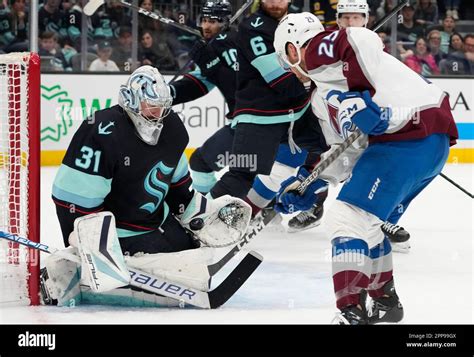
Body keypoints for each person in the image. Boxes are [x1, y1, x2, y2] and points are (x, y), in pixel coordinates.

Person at [273, 12, 458, 324]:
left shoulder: (318, 51)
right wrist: (310, 183)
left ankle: (350, 314)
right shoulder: (321, 99)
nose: (290, 69)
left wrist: (359, 95)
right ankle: (385, 302)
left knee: (347, 220)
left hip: (411, 136)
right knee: (367, 224)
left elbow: (359, 36)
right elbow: (348, 151)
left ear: (292, 49)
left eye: (284, 60)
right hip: (418, 146)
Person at [43, 66, 251, 307]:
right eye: (151, 105)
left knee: (193, 256)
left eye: (163, 105)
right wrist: (83, 244)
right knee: (180, 269)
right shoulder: (102, 131)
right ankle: (75, 274)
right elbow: (70, 200)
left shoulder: (172, 128)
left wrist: (200, 214)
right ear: (130, 100)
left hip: (155, 221)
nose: (158, 112)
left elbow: (179, 188)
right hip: (118, 231)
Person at [287, 0, 411, 251]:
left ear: (365, 19)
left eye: (357, 17)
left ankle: (382, 217)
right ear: (338, 20)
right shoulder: (329, 46)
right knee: (322, 149)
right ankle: (314, 202)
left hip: (366, 121)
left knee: (388, 166)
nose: (351, 22)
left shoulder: (376, 48)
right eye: (346, 17)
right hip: (329, 112)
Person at [206, 0, 326, 207]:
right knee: (241, 176)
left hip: (296, 112)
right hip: (260, 113)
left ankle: (312, 199)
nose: (275, 1)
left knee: (330, 147)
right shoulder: (251, 28)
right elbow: (283, 82)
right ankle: (197, 217)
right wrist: (316, 77)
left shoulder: (302, 22)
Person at [168, 0, 239, 194]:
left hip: (257, 122)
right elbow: (198, 83)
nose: (206, 26)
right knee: (200, 162)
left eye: (213, 21)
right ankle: (210, 210)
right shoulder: (214, 48)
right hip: (243, 123)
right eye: (204, 20)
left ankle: (214, 210)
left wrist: (212, 65)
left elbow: (241, 87)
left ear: (225, 22)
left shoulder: (234, 43)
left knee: (245, 171)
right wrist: (167, 94)